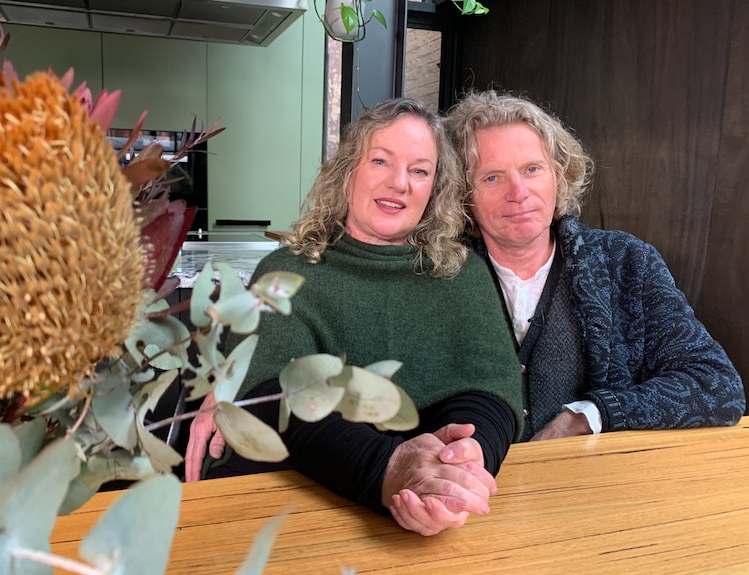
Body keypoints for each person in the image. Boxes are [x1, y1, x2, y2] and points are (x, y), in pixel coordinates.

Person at [185, 98, 524, 536]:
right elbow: (271, 396)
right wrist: (388, 468)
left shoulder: (461, 275)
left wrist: (465, 462)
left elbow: (490, 388)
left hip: (434, 510)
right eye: (381, 161)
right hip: (289, 506)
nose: (399, 183)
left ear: (435, 188)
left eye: (419, 170)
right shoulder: (286, 271)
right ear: (348, 172)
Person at [444, 89, 746, 442]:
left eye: (532, 169)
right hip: (470, 490)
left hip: (597, 489)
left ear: (558, 175)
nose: (519, 191)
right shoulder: (440, 273)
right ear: (463, 194)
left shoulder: (627, 263)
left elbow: (717, 385)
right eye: (492, 177)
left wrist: (592, 415)